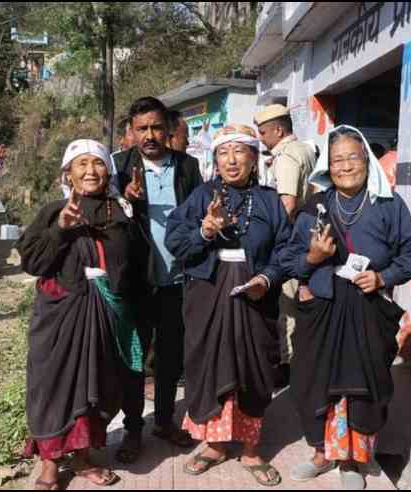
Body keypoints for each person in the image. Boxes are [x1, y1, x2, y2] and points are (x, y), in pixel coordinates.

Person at [281, 125, 411, 490]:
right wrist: (312, 258)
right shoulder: (315, 206)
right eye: (337, 159)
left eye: (353, 157)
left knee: (363, 385)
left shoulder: (389, 205)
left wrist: (382, 277)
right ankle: (320, 453)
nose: (345, 166)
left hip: (367, 309)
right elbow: (289, 259)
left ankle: (351, 460)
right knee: (314, 381)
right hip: (322, 308)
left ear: (367, 160)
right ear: (328, 166)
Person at [18, 140, 148, 490]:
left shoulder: (121, 212)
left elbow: (132, 264)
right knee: (52, 387)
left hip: (106, 313)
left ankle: (83, 458)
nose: (90, 170)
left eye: (98, 163)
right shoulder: (52, 210)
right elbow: (34, 263)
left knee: (97, 385)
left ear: (108, 171)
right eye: (81, 164)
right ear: (68, 173)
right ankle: (49, 466)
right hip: (61, 315)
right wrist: (61, 227)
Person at [165, 124, 291, 487]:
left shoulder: (269, 200)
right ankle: (215, 445)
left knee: (254, 367)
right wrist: (204, 231)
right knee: (209, 362)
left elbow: (287, 249)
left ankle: (251, 449)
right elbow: (176, 241)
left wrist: (267, 278)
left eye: (240, 152)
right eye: (224, 152)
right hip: (208, 295)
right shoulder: (201, 196)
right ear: (215, 159)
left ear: (254, 158)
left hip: (255, 298)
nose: (232, 160)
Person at [111, 96, 202, 461]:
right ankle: (133, 429)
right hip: (136, 282)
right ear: (131, 132)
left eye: (156, 128)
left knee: (170, 358)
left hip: (178, 282)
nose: (149, 135)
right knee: (134, 360)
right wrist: (125, 199)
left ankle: (164, 421)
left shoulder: (187, 166)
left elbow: (199, 213)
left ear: (168, 130)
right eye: (142, 128)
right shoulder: (118, 168)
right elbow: (102, 213)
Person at [254, 104, 318, 386]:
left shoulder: (288, 156)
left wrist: (268, 234)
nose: (262, 138)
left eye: (264, 132)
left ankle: (288, 366)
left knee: (287, 306)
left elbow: (287, 203)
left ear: (279, 130)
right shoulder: (305, 149)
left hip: (289, 239)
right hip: (305, 236)